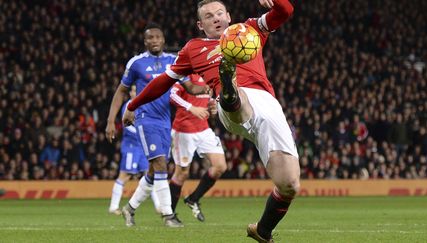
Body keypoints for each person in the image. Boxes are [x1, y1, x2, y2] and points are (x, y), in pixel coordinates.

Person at [123, 0, 300, 241]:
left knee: (289, 184)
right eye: (208, 16)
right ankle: (228, 86)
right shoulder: (192, 49)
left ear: (228, 16)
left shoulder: (248, 29)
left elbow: (285, 11)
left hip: (268, 105)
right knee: (238, 99)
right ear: (200, 25)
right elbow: (163, 82)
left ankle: (262, 230)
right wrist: (132, 105)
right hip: (233, 107)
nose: (215, 18)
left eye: (219, 13)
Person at [105, 23, 203, 228]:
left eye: (158, 37)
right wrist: (110, 121)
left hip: (165, 121)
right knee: (160, 165)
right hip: (144, 118)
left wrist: (210, 85)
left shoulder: (173, 62)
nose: (154, 40)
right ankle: (168, 215)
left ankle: (129, 208)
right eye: (150, 38)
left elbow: (191, 88)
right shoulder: (136, 63)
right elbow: (121, 91)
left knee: (154, 170)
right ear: (145, 41)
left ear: (163, 39)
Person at [169, 74, 226, 222]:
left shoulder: (208, 77)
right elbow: (172, 95)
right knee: (182, 174)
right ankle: (170, 214)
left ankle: (193, 199)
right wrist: (190, 107)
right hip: (184, 130)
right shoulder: (186, 76)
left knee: (220, 166)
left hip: (203, 129)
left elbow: (209, 101)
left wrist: (213, 108)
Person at [108, 85, 155, 215]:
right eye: (134, 90)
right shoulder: (128, 106)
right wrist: (144, 133)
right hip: (131, 147)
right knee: (125, 175)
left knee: (150, 174)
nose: (136, 92)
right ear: (130, 93)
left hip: (141, 147)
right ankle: (113, 207)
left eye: (137, 90)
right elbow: (126, 126)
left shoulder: (144, 104)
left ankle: (160, 206)